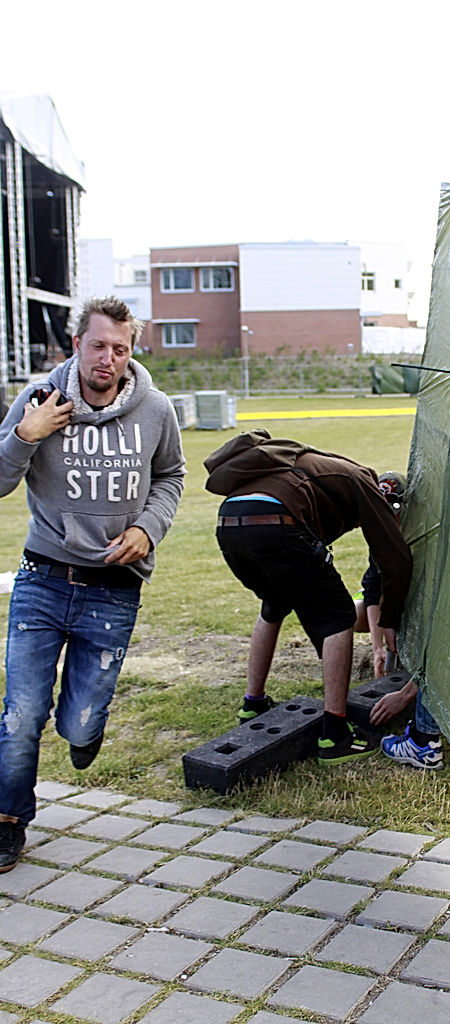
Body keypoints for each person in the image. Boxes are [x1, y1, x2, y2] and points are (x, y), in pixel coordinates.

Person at [0, 296, 185, 873]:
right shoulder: (39, 400)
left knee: (79, 720)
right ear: (77, 344)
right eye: (99, 345)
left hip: (113, 587)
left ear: (132, 352)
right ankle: (7, 821)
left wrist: (147, 530)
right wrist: (26, 435)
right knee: (22, 711)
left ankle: (84, 727)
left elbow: (170, 475)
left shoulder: (155, 409)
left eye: (120, 349)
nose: (108, 358)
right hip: (43, 578)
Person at [204, 429, 413, 766]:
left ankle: (252, 703)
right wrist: (390, 620)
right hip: (276, 521)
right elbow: (395, 559)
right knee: (340, 617)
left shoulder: (306, 469)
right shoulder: (364, 482)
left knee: (274, 605)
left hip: (230, 524)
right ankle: (335, 734)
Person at [353, 470, 443, 770]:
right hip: (399, 609)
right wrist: (377, 648)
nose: (392, 521)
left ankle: (424, 741)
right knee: (347, 615)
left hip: (429, 617)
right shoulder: (380, 534)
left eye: (396, 512)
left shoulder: (430, 538)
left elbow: (444, 644)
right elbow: (373, 589)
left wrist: (405, 695)